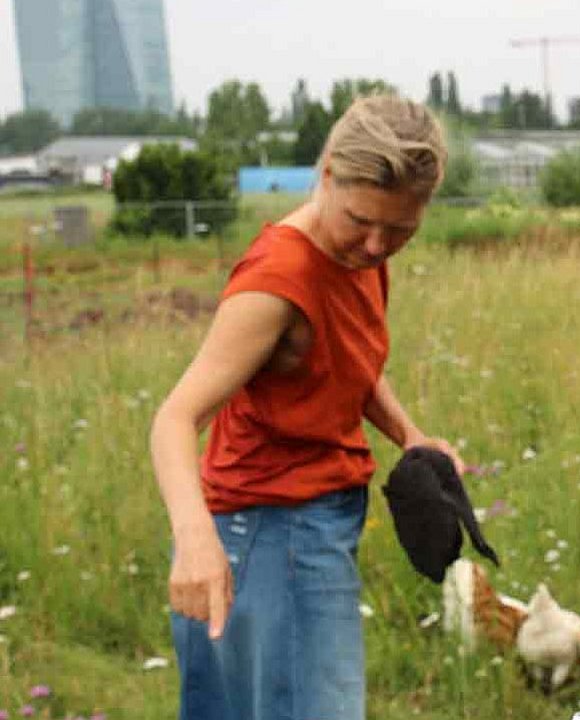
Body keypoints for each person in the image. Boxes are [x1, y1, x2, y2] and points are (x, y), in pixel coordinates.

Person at [150, 94, 463, 720]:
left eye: (402, 229)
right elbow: (174, 418)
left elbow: (347, 362)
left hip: (311, 522)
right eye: (361, 220)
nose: (377, 245)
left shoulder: (358, 256)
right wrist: (194, 541)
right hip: (268, 531)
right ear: (326, 173)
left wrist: (412, 435)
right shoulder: (277, 281)